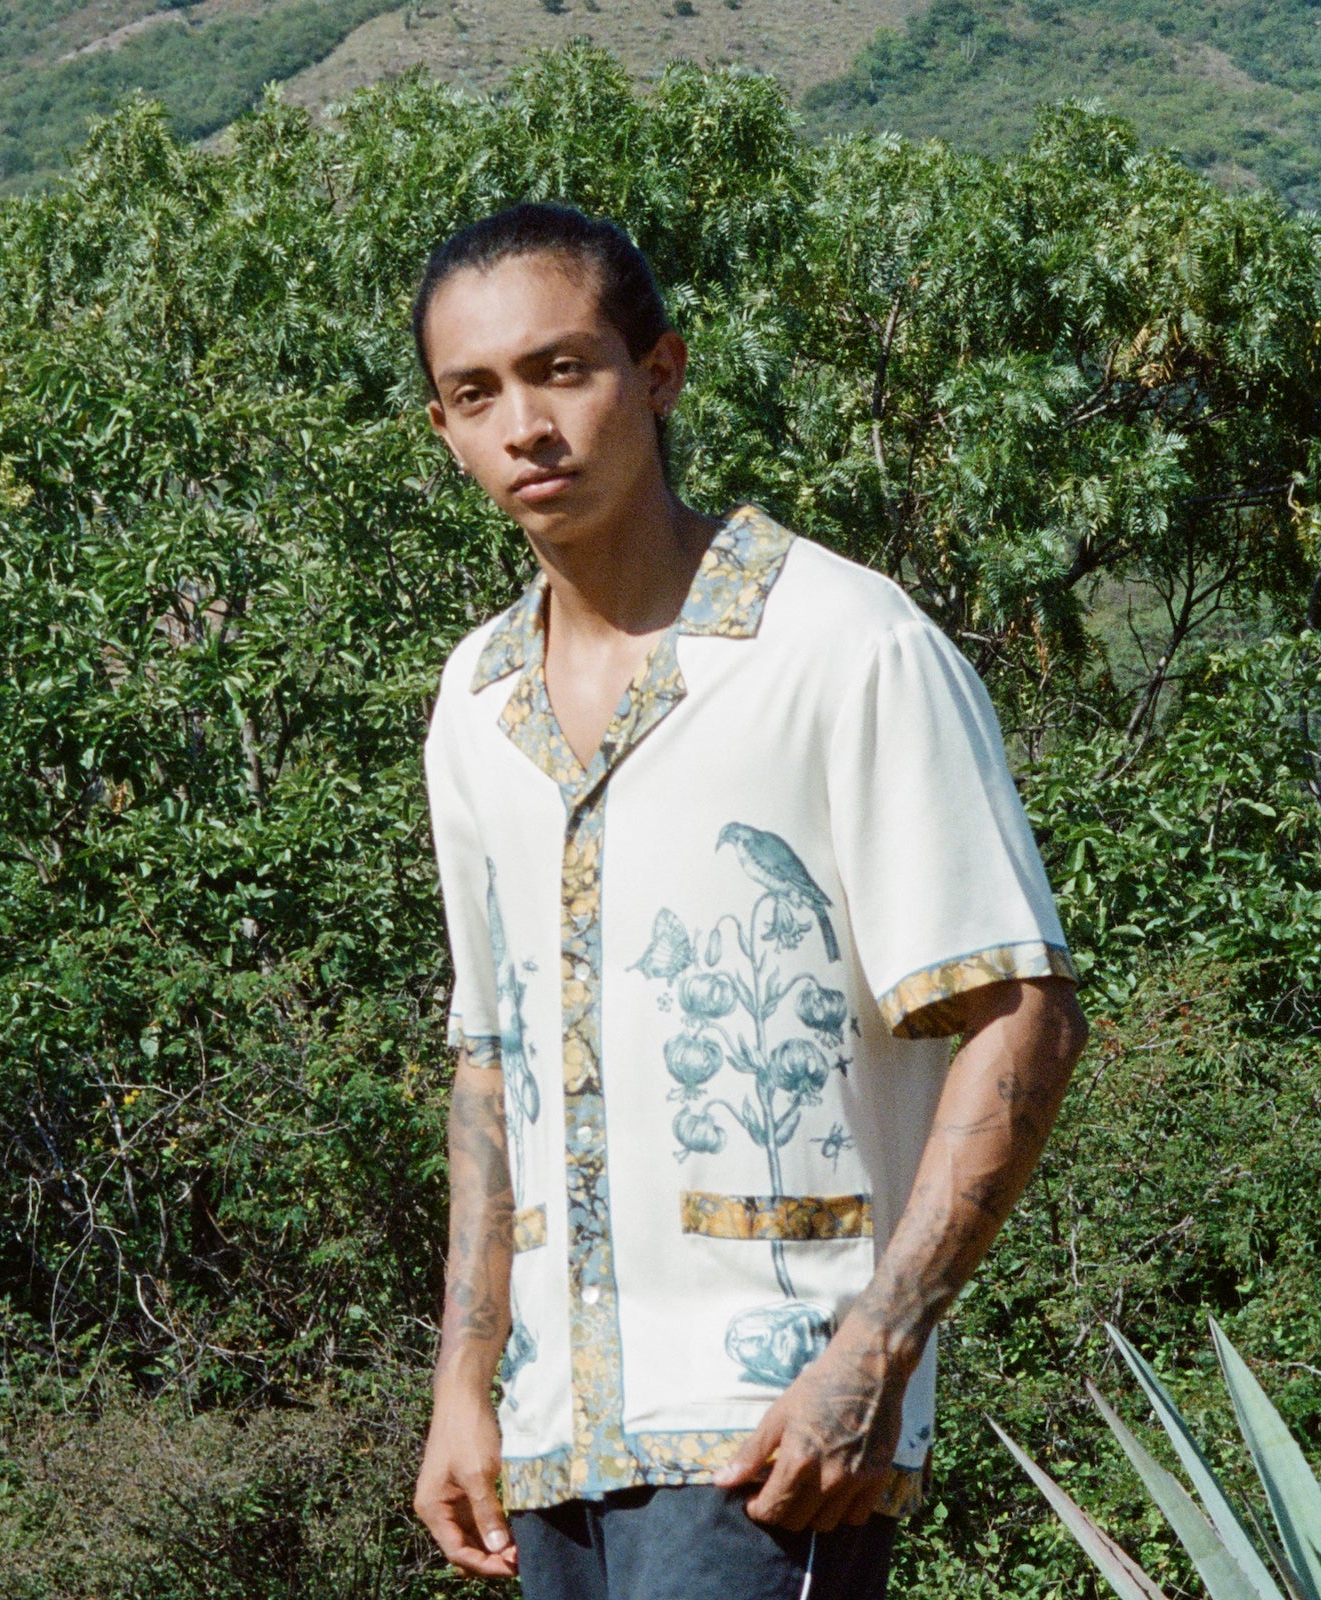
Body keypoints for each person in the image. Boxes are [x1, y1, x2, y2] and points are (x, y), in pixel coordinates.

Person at [409, 202, 1088, 1600]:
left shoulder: (841, 643)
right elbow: (492, 1063)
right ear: (446, 430)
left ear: (658, 374)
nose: (526, 424)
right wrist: (463, 1388)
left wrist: (873, 1360)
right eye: (479, 393)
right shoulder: (475, 704)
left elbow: (1021, 1014)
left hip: (770, 1431)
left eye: (563, 369)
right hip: (552, 1440)